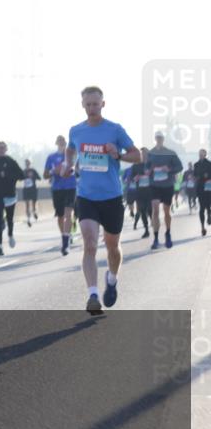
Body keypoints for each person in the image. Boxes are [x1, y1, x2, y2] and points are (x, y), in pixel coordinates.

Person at [63, 86, 140, 315]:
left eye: (95, 104)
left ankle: (112, 279)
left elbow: (137, 155)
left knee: (112, 247)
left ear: (103, 104)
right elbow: (70, 150)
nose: (91, 108)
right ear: (82, 105)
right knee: (89, 243)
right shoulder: (76, 131)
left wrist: (119, 154)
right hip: (86, 196)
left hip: (112, 197)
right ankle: (93, 295)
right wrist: (68, 164)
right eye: (87, 104)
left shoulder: (115, 129)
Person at [0, 141, 24, 255]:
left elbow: (21, 175)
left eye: (2, 148)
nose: (0, 149)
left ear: (6, 149)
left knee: (10, 218)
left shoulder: (11, 162)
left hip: (10, 194)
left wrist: (8, 176)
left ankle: (10, 235)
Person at [146, 131, 183, 250]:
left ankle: (168, 233)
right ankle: (156, 238)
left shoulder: (170, 153)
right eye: (157, 138)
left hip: (167, 185)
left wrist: (169, 169)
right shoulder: (150, 153)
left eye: (160, 138)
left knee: (166, 211)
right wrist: (148, 170)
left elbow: (180, 167)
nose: (159, 140)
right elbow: (146, 167)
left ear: (163, 139)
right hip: (154, 185)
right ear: (155, 139)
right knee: (155, 210)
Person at [44, 135, 77, 255]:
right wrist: (54, 171)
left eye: (63, 141)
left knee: (69, 213)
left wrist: (69, 170)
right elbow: (45, 175)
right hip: (57, 188)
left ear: (66, 143)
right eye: (59, 141)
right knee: (60, 216)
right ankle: (64, 235)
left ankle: (65, 242)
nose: (61, 143)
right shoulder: (51, 157)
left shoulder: (71, 155)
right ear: (56, 143)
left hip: (70, 186)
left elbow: (75, 168)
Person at [128, 148, 153, 238]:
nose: (143, 155)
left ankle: (153, 222)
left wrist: (150, 175)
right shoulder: (136, 166)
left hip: (151, 191)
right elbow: (131, 178)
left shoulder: (152, 165)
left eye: (145, 153)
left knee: (150, 210)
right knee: (142, 210)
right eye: (142, 154)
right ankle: (146, 230)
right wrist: (135, 178)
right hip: (140, 191)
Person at [195, 149, 211, 237]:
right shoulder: (196, 165)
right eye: (199, 154)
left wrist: (207, 176)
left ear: (205, 155)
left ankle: (209, 215)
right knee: (201, 208)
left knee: (208, 205)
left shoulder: (209, 164)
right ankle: (202, 227)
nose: (200, 155)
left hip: (208, 188)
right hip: (200, 188)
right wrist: (198, 177)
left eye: (202, 154)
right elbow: (195, 175)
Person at [22, 159, 41, 226]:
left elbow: (39, 177)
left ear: (30, 163)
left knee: (33, 204)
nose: (27, 164)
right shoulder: (23, 171)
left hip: (33, 189)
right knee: (27, 205)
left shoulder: (33, 170)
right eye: (26, 163)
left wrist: (33, 176)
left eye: (28, 163)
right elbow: (20, 178)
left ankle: (34, 212)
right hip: (26, 189)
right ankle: (28, 219)